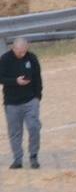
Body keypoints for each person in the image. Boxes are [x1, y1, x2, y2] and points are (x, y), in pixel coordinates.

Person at [1, 36, 42, 169]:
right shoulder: (5, 59)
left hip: (31, 100)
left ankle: (33, 156)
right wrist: (15, 81)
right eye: (20, 52)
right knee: (15, 132)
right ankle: (17, 159)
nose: (22, 54)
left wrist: (37, 97)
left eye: (24, 51)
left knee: (34, 127)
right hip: (12, 103)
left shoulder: (32, 58)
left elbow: (37, 78)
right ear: (14, 48)